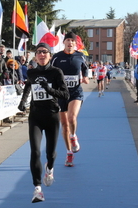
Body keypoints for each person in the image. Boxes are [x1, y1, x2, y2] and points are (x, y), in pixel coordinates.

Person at [17, 43, 69, 203]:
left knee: (51, 154)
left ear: (50, 55)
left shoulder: (56, 72)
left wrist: (49, 90)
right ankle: (37, 189)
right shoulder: (31, 72)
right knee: (35, 152)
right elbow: (27, 88)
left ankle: (50, 168)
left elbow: (65, 94)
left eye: (44, 52)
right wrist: (23, 101)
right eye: (38, 52)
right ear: (35, 56)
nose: (41, 54)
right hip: (35, 117)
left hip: (52, 115)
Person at [51, 32, 89, 167]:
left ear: (75, 43)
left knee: (72, 118)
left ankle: (73, 137)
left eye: (72, 41)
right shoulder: (56, 57)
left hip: (75, 92)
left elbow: (85, 69)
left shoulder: (80, 56)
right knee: (64, 124)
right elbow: (51, 71)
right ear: (64, 42)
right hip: (61, 94)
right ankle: (69, 153)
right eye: (67, 40)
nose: (70, 43)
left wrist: (85, 76)